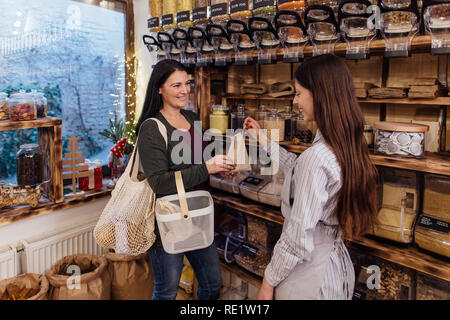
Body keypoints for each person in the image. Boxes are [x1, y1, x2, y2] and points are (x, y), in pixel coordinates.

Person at [243, 54, 378, 300]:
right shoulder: (345, 142)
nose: (295, 101)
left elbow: (297, 237)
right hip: (334, 263)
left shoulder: (317, 157)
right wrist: (263, 140)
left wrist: (268, 280)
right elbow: (298, 166)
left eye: (298, 93)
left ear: (321, 94)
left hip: (310, 273)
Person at [136, 59, 236, 300]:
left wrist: (219, 168)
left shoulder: (192, 118)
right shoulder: (151, 128)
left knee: (212, 285)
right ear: (159, 88)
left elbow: (201, 160)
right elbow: (159, 182)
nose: (184, 90)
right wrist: (207, 168)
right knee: (167, 291)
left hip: (198, 216)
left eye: (187, 84)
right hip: (167, 221)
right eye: (176, 85)